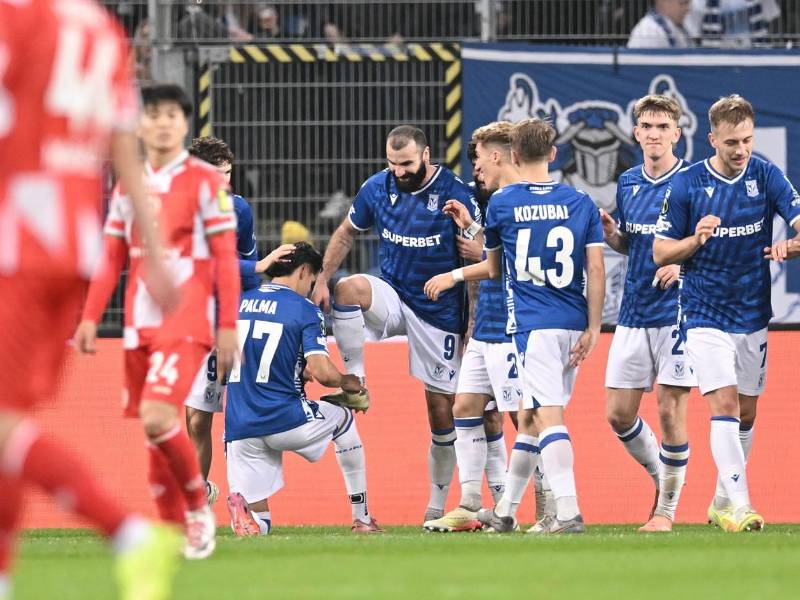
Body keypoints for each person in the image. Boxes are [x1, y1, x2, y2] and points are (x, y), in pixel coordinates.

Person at [0, 1, 182, 598]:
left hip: (18, 242)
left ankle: (127, 533)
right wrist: (153, 253)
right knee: (10, 428)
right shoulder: (102, 29)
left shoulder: (16, 17)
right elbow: (121, 147)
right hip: (72, 246)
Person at [74, 84, 241, 559]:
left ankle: (195, 504)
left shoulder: (208, 185)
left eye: (173, 114)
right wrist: (90, 317)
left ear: (184, 124)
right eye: (154, 114)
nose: (163, 122)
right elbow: (111, 256)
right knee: (155, 434)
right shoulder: (129, 184)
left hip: (188, 321)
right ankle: (176, 536)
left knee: (156, 417)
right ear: (141, 124)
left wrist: (226, 325)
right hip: (138, 324)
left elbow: (226, 260)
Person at [425, 118, 605, 534]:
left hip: (531, 325)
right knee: (530, 421)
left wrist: (454, 272)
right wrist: (595, 326)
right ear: (555, 154)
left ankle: (568, 510)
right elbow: (595, 268)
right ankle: (505, 510)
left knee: (547, 417)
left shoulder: (504, 203)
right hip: (574, 322)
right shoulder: (580, 202)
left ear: (516, 156)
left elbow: (491, 265)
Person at [311, 125, 478, 524]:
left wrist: (473, 323)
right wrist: (319, 279)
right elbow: (347, 232)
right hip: (394, 297)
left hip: (439, 310)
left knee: (442, 412)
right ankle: (356, 384)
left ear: (426, 155)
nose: (399, 171)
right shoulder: (377, 187)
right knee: (347, 288)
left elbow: (475, 261)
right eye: (391, 162)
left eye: (406, 163)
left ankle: (436, 507)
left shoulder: (454, 192)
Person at [654, 94, 800, 532]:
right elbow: (661, 251)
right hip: (703, 311)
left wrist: (791, 245)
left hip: (752, 312)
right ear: (712, 138)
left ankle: (721, 501)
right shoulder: (687, 185)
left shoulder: (766, 174)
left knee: (747, 413)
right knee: (725, 403)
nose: (741, 151)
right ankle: (741, 504)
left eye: (748, 141)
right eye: (732, 142)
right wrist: (695, 241)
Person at [225, 243, 382, 535]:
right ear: (305, 271)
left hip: (239, 426)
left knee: (261, 524)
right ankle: (362, 518)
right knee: (344, 420)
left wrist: (295, 370)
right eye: (312, 282)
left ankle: (243, 509)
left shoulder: (238, 303)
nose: (311, 289)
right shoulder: (304, 309)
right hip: (285, 419)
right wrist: (348, 381)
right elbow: (323, 372)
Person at [423, 122, 535, 533]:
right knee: (465, 408)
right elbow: (495, 248)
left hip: (512, 326)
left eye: (478, 157)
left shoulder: (519, 199)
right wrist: (471, 225)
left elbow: (502, 264)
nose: (475, 168)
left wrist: (454, 275)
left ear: (497, 154)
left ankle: (543, 505)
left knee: (523, 419)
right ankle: (471, 503)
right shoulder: (498, 201)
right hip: (486, 325)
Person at [601, 95, 696, 533]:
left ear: (677, 133)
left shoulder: (693, 182)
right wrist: (613, 235)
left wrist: (682, 261)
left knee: (670, 409)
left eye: (663, 126)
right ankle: (665, 478)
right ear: (636, 132)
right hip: (633, 311)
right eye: (647, 126)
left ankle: (667, 512)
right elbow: (631, 244)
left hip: (678, 311)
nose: (654, 134)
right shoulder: (628, 182)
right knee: (618, 415)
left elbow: (712, 240)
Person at [184, 136, 293, 505]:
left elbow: (245, 272)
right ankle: (200, 495)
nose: (224, 184)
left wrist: (251, 307)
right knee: (197, 419)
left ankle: (251, 508)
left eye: (228, 174)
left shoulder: (238, 210)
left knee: (241, 418)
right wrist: (259, 266)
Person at [628, 0, 694, 48]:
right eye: (683, 3)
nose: (687, 9)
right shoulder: (649, 31)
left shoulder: (677, 28)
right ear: (663, 2)